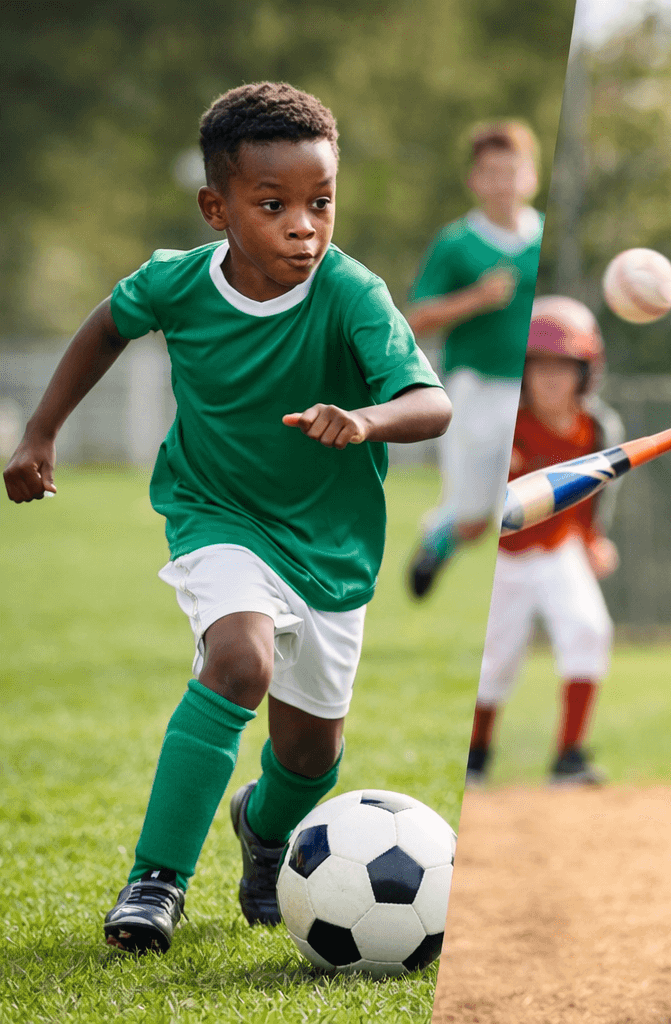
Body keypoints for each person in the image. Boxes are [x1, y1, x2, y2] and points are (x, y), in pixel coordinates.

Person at [1, 82, 450, 954]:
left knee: (313, 758)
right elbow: (105, 326)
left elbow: (429, 402)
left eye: (321, 203)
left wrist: (364, 419)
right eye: (273, 204)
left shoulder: (352, 292)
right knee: (237, 661)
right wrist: (41, 432)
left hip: (330, 546)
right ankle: (155, 880)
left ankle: (264, 826)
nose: (303, 227)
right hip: (216, 514)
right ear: (218, 209)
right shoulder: (176, 282)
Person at [465, 295, 622, 788]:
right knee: (494, 659)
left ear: (586, 372)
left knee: (589, 630)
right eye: (539, 366)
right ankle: (475, 757)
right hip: (505, 558)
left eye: (565, 366)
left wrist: (594, 539)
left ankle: (569, 756)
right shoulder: (508, 423)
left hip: (560, 549)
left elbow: (598, 491)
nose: (552, 378)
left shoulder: (597, 426)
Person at [406, 120, 543, 598]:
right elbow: (418, 317)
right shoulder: (456, 242)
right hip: (475, 389)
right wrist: (477, 298)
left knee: (528, 504)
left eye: (513, 171)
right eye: (492, 172)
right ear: (475, 180)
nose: (504, 183)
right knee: (473, 519)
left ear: (531, 177)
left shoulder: (543, 237)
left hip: (534, 395)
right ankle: (435, 539)